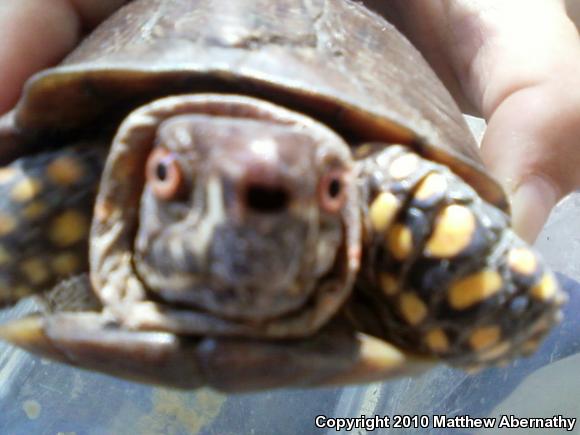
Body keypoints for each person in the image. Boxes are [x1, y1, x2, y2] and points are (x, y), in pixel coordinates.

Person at [1, 0, 578, 243]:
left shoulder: (383, 190)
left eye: (317, 190)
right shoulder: (93, 176)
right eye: (174, 181)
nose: (236, 219)